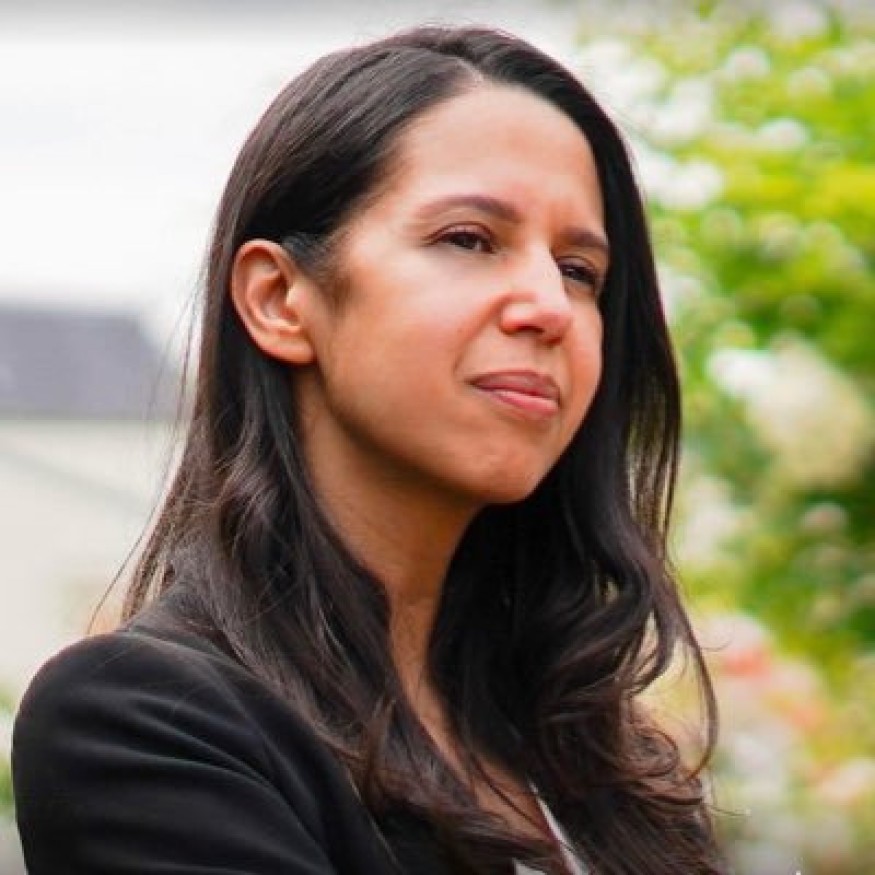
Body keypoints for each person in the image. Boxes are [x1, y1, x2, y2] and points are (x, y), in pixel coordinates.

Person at [12, 25, 725, 875]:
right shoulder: (150, 722)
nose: (547, 305)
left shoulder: (593, 755)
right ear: (279, 299)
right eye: (468, 239)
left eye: (579, 270)